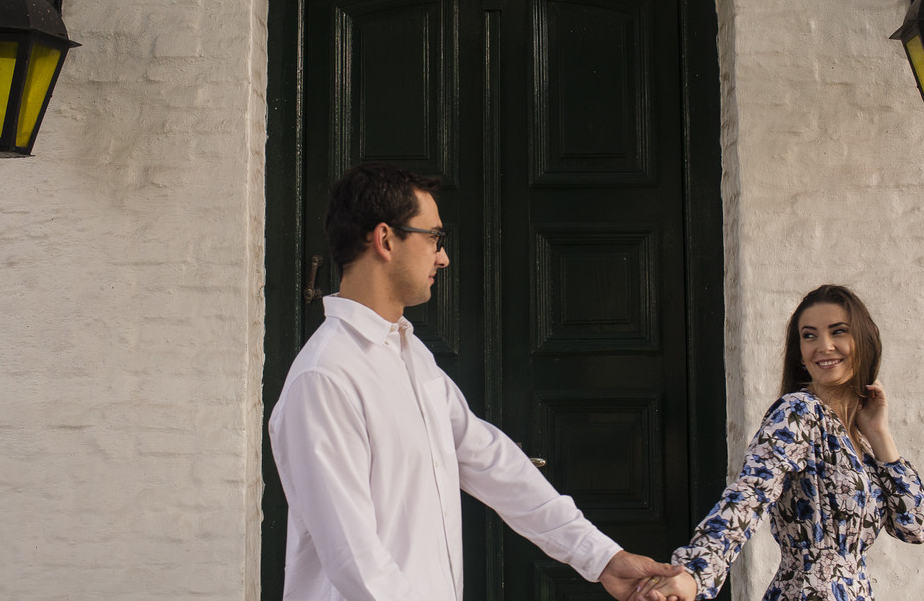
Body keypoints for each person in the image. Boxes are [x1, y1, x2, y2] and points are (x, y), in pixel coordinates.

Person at [268, 162, 681, 600]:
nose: (443, 257)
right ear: (385, 239)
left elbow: (491, 462)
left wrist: (601, 558)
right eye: (434, 237)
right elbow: (355, 561)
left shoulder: (411, 355)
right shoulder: (325, 378)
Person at [632, 285, 924, 601]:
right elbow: (751, 492)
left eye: (838, 331)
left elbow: (915, 527)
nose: (824, 346)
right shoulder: (797, 411)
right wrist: (695, 574)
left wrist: (878, 433)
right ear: (800, 354)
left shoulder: (860, 444)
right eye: (809, 335)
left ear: (864, 341)